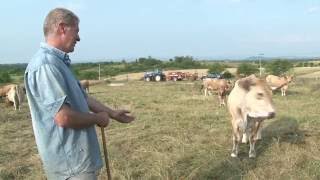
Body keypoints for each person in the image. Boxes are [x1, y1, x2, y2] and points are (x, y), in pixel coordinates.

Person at [24, 8, 134, 180]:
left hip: (77, 162)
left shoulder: (58, 63)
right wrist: (98, 118)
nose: (78, 38)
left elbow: (83, 97)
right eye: (76, 31)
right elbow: (64, 118)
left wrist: (112, 113)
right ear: (62, 28)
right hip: (70, 166)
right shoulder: (46, 65)